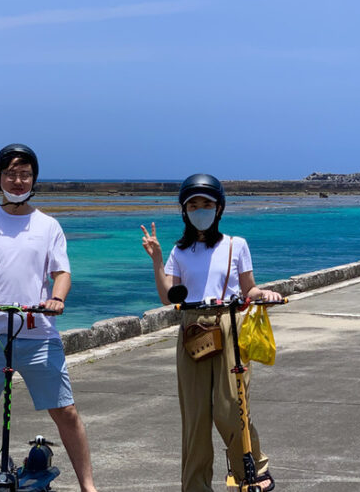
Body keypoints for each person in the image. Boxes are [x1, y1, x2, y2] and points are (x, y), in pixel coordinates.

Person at [0, 143, 98, 492]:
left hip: (39, 332)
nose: (18, 181)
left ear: (34, 179)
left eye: (25, 174)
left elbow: (61, 272)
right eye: (11, 174)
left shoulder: (47, 225)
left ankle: (88, 486)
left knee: (65, 410)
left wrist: (56, 298)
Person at [140, 173, 281, 492]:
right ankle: (195, 485)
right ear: (184, 211)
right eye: (193, 205)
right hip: (192, 328)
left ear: (219, 208)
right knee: (195, 415)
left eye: (206, 204)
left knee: (232, 406)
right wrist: (157, 259)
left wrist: (264, 294)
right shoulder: (179, 252)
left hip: (229, 324)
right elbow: (168, 297)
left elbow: (249, 289)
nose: (200, 210)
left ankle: (252, 471)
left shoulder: (236, 245)